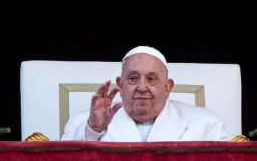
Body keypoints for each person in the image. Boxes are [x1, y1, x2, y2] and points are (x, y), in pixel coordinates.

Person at [61, 46, 229, 141]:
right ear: (120, 85)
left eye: (152, 79)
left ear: (167, 87)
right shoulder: (83, 123)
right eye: (133, 78)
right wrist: (95, 130)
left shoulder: (206, 123)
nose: (142, 87)